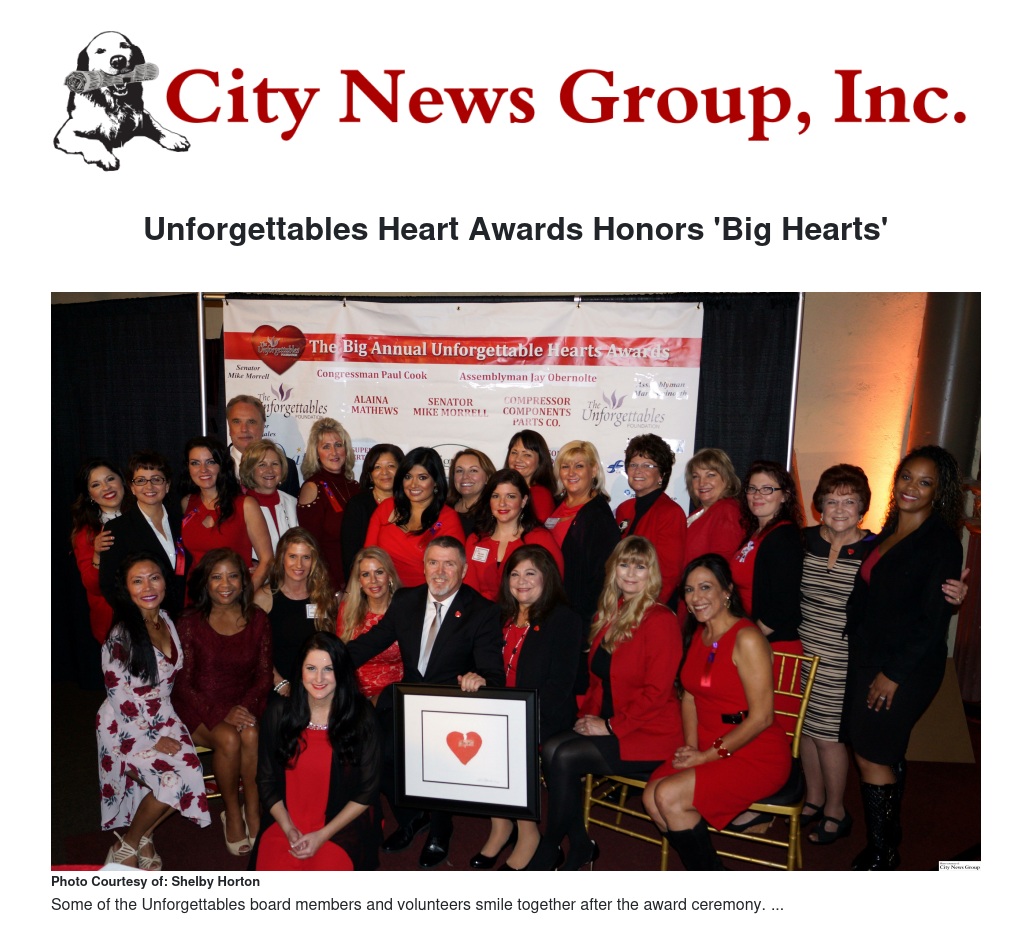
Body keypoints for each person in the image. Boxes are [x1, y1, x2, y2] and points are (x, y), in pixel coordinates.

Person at [525, 537, 683, 871]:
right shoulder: (611, 613)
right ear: (614, 569)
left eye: (640, 566)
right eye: (624, 564)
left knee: (564, 756)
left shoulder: (661, 620)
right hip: (613, 724)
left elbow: (656, 694)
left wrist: (609, 726)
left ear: (652, 573)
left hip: (649, 732)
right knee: (550, 747)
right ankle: (580, 845)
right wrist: (586, 718)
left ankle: (549, 848)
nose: (631, 573)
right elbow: (599, 681)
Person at [347, 536, 503, 868]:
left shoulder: (482, 611)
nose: (440, 571)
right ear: (424, 566)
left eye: (449, 564)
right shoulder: (406, 600)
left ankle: (440, 830)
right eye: (433, 562)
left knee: (437, 758)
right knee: (377, 754)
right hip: (405, 700)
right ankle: (412, 817)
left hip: (451, 707)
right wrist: (328, 659)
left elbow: (493, 673)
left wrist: (480, 679)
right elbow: (370, 643)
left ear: (464, 569)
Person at [846, 445, 964, 870]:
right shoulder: (890, 529)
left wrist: (892, 675)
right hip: (869, 658)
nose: (911, 487)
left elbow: (931, 623)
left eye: (925, 482)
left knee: (872, 754)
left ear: (939, 491)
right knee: (885, 748)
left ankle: (883, 855)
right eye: (907, 477)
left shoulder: (942, 543)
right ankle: (890, 834)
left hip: (905, 668)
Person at [643, 554, 791, 870]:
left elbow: (762, 718)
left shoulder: (747, 638)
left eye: (705, 587)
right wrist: (692, 747)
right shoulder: (701, 633)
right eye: (689, 590)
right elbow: (689, 696)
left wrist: (707, 756)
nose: (696, 597)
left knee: (668, 796)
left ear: (727, 591)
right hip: (708, 743)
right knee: (651, 798)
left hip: (754, 751)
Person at [469, 545, 581, 871]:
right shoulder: (498, 617)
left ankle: (528, 832)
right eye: (515, 574)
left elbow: (560, 686)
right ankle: (501, 825)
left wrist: (523, 720)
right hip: (501, 711)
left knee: (505, 743)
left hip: (544, 713)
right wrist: (475, 677)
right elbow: (483, 663)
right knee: (471, 733)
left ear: (547, 577)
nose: (522, 581)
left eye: (531, 573)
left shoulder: (564, 620)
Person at [97, 555, 210, 869]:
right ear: (127, 589)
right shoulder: (121, 636)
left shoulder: (167, 620)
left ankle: (140, 837)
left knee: (192, 773)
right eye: (138, 581)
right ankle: (127, 845)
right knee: (171, 783)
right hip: (126, 724)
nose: (148, 587)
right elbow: (119, 696)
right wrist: (153, 738)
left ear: (165, 582)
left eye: (154, 578)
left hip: (164, 715)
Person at [172, 548, 272, 855]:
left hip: (243, 703)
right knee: (229, 738)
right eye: (216, 577)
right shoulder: (189, 622)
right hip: (197, 706)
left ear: (244, 581)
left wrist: (245, 708)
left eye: (233, 576)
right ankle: (231, 812)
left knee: (251, 733)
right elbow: (183, 684)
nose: (225, 584)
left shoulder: (257, 619)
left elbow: (264, 675)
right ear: (205, 582)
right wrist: (220, 711)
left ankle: (252, 807)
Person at [254, 631, 381, 870]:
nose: (319, 678)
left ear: (341, 672)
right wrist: (288, 828)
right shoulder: (278, 714)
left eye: (328, 669)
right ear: (300, 671)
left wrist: (322, 835)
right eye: (311, 668)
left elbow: (368, 790)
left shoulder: (361, 716)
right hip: (285, 823)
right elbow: (266, 780)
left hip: (339, 827)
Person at [546, 440, 620, 689]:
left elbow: (602, 578)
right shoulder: (558, 506)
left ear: (594, 470)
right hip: (553, 612)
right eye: (565, 466)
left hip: (577, 620)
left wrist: (586, 626)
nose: (571, 473)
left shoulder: (597, 516)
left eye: (579, 466)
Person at [100, 450, 190, 617]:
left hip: (186, 616)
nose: (149, 486)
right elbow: (109, 585)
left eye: (156, 479)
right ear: (132, 487)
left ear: (167, 485)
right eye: (141, 480)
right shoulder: (117, 529)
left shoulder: (183, 521)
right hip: (142, 619)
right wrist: (142, 620)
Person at [255, 527, 338, 701]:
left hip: (317, 684)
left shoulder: (323, 596)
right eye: (293, 556)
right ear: (282, 558)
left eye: (306, 557)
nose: (299, 565)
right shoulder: (264, 597)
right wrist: (278, 682)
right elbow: (254, 649)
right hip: (277, 685)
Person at [180, 436, 273, 589]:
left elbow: (267, 560)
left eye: (210, 462)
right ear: (188, 467)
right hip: (196, 595)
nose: (203, 469)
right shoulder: (187, 503)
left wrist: (246, 595)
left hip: (234, 595)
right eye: (195, 463)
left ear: (222, 465)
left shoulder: (246, 505)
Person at [363, 447, 465, 587]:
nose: (413, 484)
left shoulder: (448, 519)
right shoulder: (386, 507)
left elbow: (453, 571)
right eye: (408, 477)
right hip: (383, 592)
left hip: (427, 595)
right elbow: (368, 557)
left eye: (422, 477)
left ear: (435, 481)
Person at [464, 469, 564, 601]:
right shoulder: (475, 540)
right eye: (496, 496)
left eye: (510, 496)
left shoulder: (540, 539)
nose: (502, 503)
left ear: (523, 500)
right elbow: (468, 591)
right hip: (481, 612)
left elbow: (553, 586)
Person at [614, 434, 686, 603]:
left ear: (661, 474)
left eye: (647, 465)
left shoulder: (671, 513)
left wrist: (647, 608)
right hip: (623, 599)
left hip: (651, 603)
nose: (638, 471)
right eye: (633, 464)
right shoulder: (624, 509)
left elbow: (669, 573)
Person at [297, 418, 360, 592]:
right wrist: (333, 588)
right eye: (326, 446)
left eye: (338, 445)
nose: (334, 452)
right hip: (329, 583)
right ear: (316, 453)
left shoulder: (355, 487)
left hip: (358, 580)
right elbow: (311, 547)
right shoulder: (312, 488)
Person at [336, 546, 403, 703]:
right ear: (359, 581)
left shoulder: (404, 611)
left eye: (379, 572)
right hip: (354, 696)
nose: (373, 580)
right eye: (366, 574)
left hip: (392, 698)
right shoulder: (347, 609)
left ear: (390, 576)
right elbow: (341, 657)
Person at [71, 458, 126, 642]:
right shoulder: (87, 534)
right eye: (96, 484)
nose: (106, 487)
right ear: (90, 495)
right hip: (114, 627)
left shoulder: (145, 517)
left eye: (110, 479)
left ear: (122, 480)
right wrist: (98, 554)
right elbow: (93, 587)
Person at [339, 443, 404, 586]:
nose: (384, 472)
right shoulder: (358, 505)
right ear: (370, 474)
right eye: (377, 467)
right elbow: (350, 556)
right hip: (369, 584)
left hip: (405, 582)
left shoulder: (412, 503)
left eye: (391, 466)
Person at [227, 394, 301, 496]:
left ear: (263, 426)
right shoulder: (215, 465)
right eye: (237, 422)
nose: (244, 429)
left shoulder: (287, 467)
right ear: (229, 426)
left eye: (251, 422)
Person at [683, 448, 744, 566]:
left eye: (710, 475)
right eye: (696, 476)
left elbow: (720, 563)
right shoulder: (700, 512)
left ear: (727, 479)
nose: (702, 483)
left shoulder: (727, 511)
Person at [240, 439, 298, 555]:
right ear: (250, 470)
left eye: (275, 464)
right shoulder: (240, 507)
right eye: (262, 465)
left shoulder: (293, 502)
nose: (270, 470)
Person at [505, 430, 556, 522]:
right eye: (514, 452)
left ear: (540, 461)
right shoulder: (501, 489)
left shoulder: (541, 495)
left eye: (527, 455)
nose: (518, 459)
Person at [447, 448, 497, 535]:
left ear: (488, 477)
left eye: (473, 470)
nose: (465, 476)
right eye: (459, 471)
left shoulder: (493, 513)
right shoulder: (444, 508)